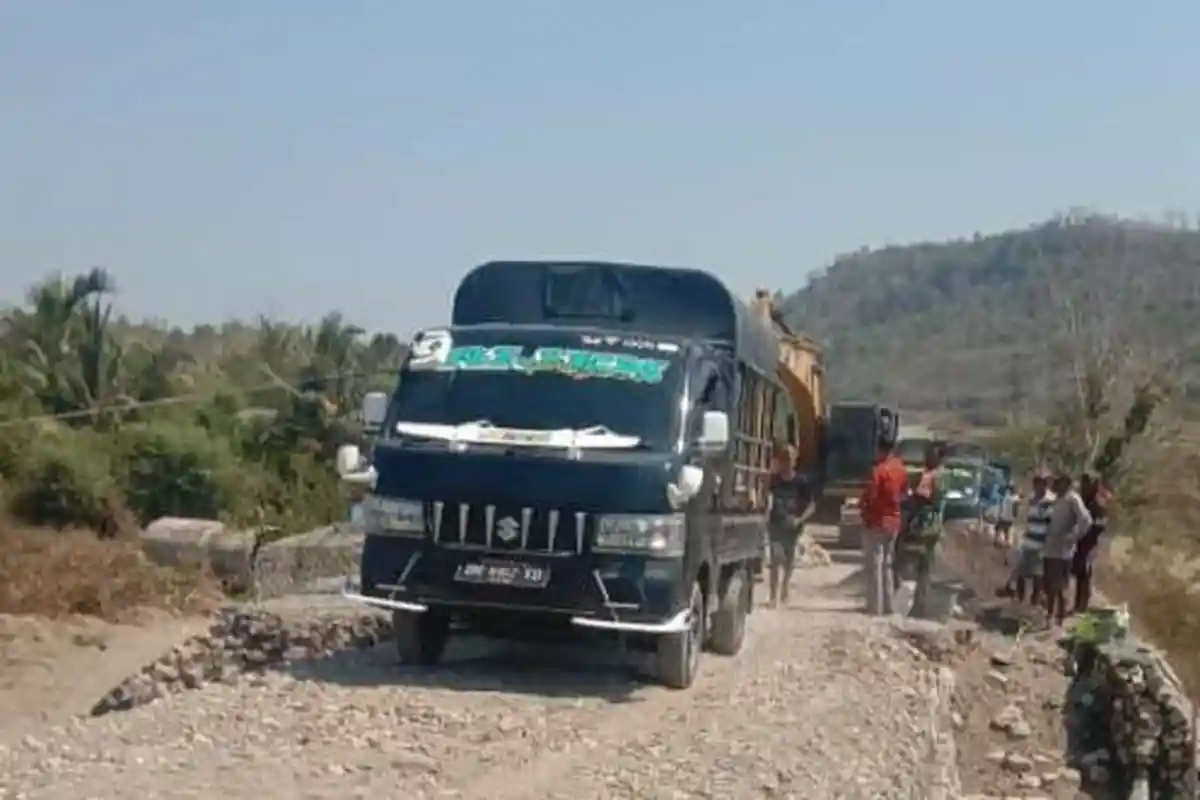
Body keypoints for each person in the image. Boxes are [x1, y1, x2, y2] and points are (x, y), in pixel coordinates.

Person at [859, 436, 909, 615]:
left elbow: (870, 496)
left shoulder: (879, 471)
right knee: (887, 564)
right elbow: (904, 494)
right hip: (894, 522)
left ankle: (874, 606)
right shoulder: (900, 469)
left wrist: (864, 512)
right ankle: (888, 606)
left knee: (874, 565)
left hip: (877, 521)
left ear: (879, 449)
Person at [1042, 473, 1093, 627]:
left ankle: (1060, 617)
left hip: (1063, 551)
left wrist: (1074, 537)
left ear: (1066, 483)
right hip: (1050, 548)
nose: (1055, 485)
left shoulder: (1073, 499)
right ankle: (1049, 615)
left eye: (1058, 482)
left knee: (1060, 586)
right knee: (1049, 585)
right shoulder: (1057, 499)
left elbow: (1086, 520)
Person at [766, 441, 812, 608]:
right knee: (775, 559)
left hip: (793, 527)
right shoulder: (773, 480)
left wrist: (800, 519)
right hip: (776, 524)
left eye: (790, 458)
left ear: (795, 460)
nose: (787, 462)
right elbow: (765, 498)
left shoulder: (801, 482)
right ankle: (773, 595)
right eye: (785, 458)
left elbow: (810, 505)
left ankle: (785, 586)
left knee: (789, 561)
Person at [1000, 472, 1055, 604]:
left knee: (1037, 574)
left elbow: (1051, 523)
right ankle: (1019, 597)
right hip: (1028, 540)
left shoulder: (1049, 501)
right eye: (1035, 483)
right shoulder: (1031, 499)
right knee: (1022, 571)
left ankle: (1035, 600)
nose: (1037, 486)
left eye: (1039, 483)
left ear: (1045, 484)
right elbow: (1023, 518)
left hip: (1040, 543)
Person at [906, 445, 946, 617]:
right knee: (922, 566)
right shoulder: (929, 475)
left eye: (931, 457)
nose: (927, 460)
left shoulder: (936, 476)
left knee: (925, 566)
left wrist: (915, 498)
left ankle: (920, 605)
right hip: (926, 524)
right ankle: (919, 603)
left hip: (929, 525)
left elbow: (928, 498)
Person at [1072, 471, 1109, 614]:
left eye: (1087, 483)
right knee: (1080, 573)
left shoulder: (1097, 503)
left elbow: (1100, 525)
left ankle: (1082, 605)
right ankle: (1078, 603)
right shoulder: (1082, 501)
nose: (1084, 486)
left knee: (1085, 572)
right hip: (1080, 541)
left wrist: (1089, 533)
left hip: (1090, 542)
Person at [995, 482, 1018, 549]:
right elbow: (1015, 510)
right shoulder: (1015, 498)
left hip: (1004, 518)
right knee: (1007, 532)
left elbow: (1001, 507)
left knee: (1000, 530)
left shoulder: (1006, 496)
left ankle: (1001, 542)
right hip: (1009, 519)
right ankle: (1007, 542)